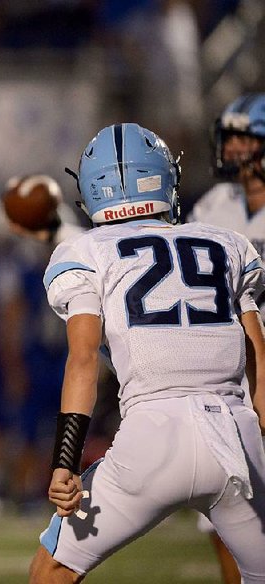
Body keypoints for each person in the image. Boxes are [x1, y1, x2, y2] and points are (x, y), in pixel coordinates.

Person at [28, 123, 265, 583]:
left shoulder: (85, 251)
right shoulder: (227, 243)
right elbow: (258, 354)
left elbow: (82, 360)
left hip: (152, 436)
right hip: (235, 433)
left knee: (54, 569)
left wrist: (64, 460)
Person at [186, 92, 265, 584]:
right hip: (230, 371)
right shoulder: (214, 205)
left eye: (246, 136)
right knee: (224, 509)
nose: (234, 147)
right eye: (230, 136)